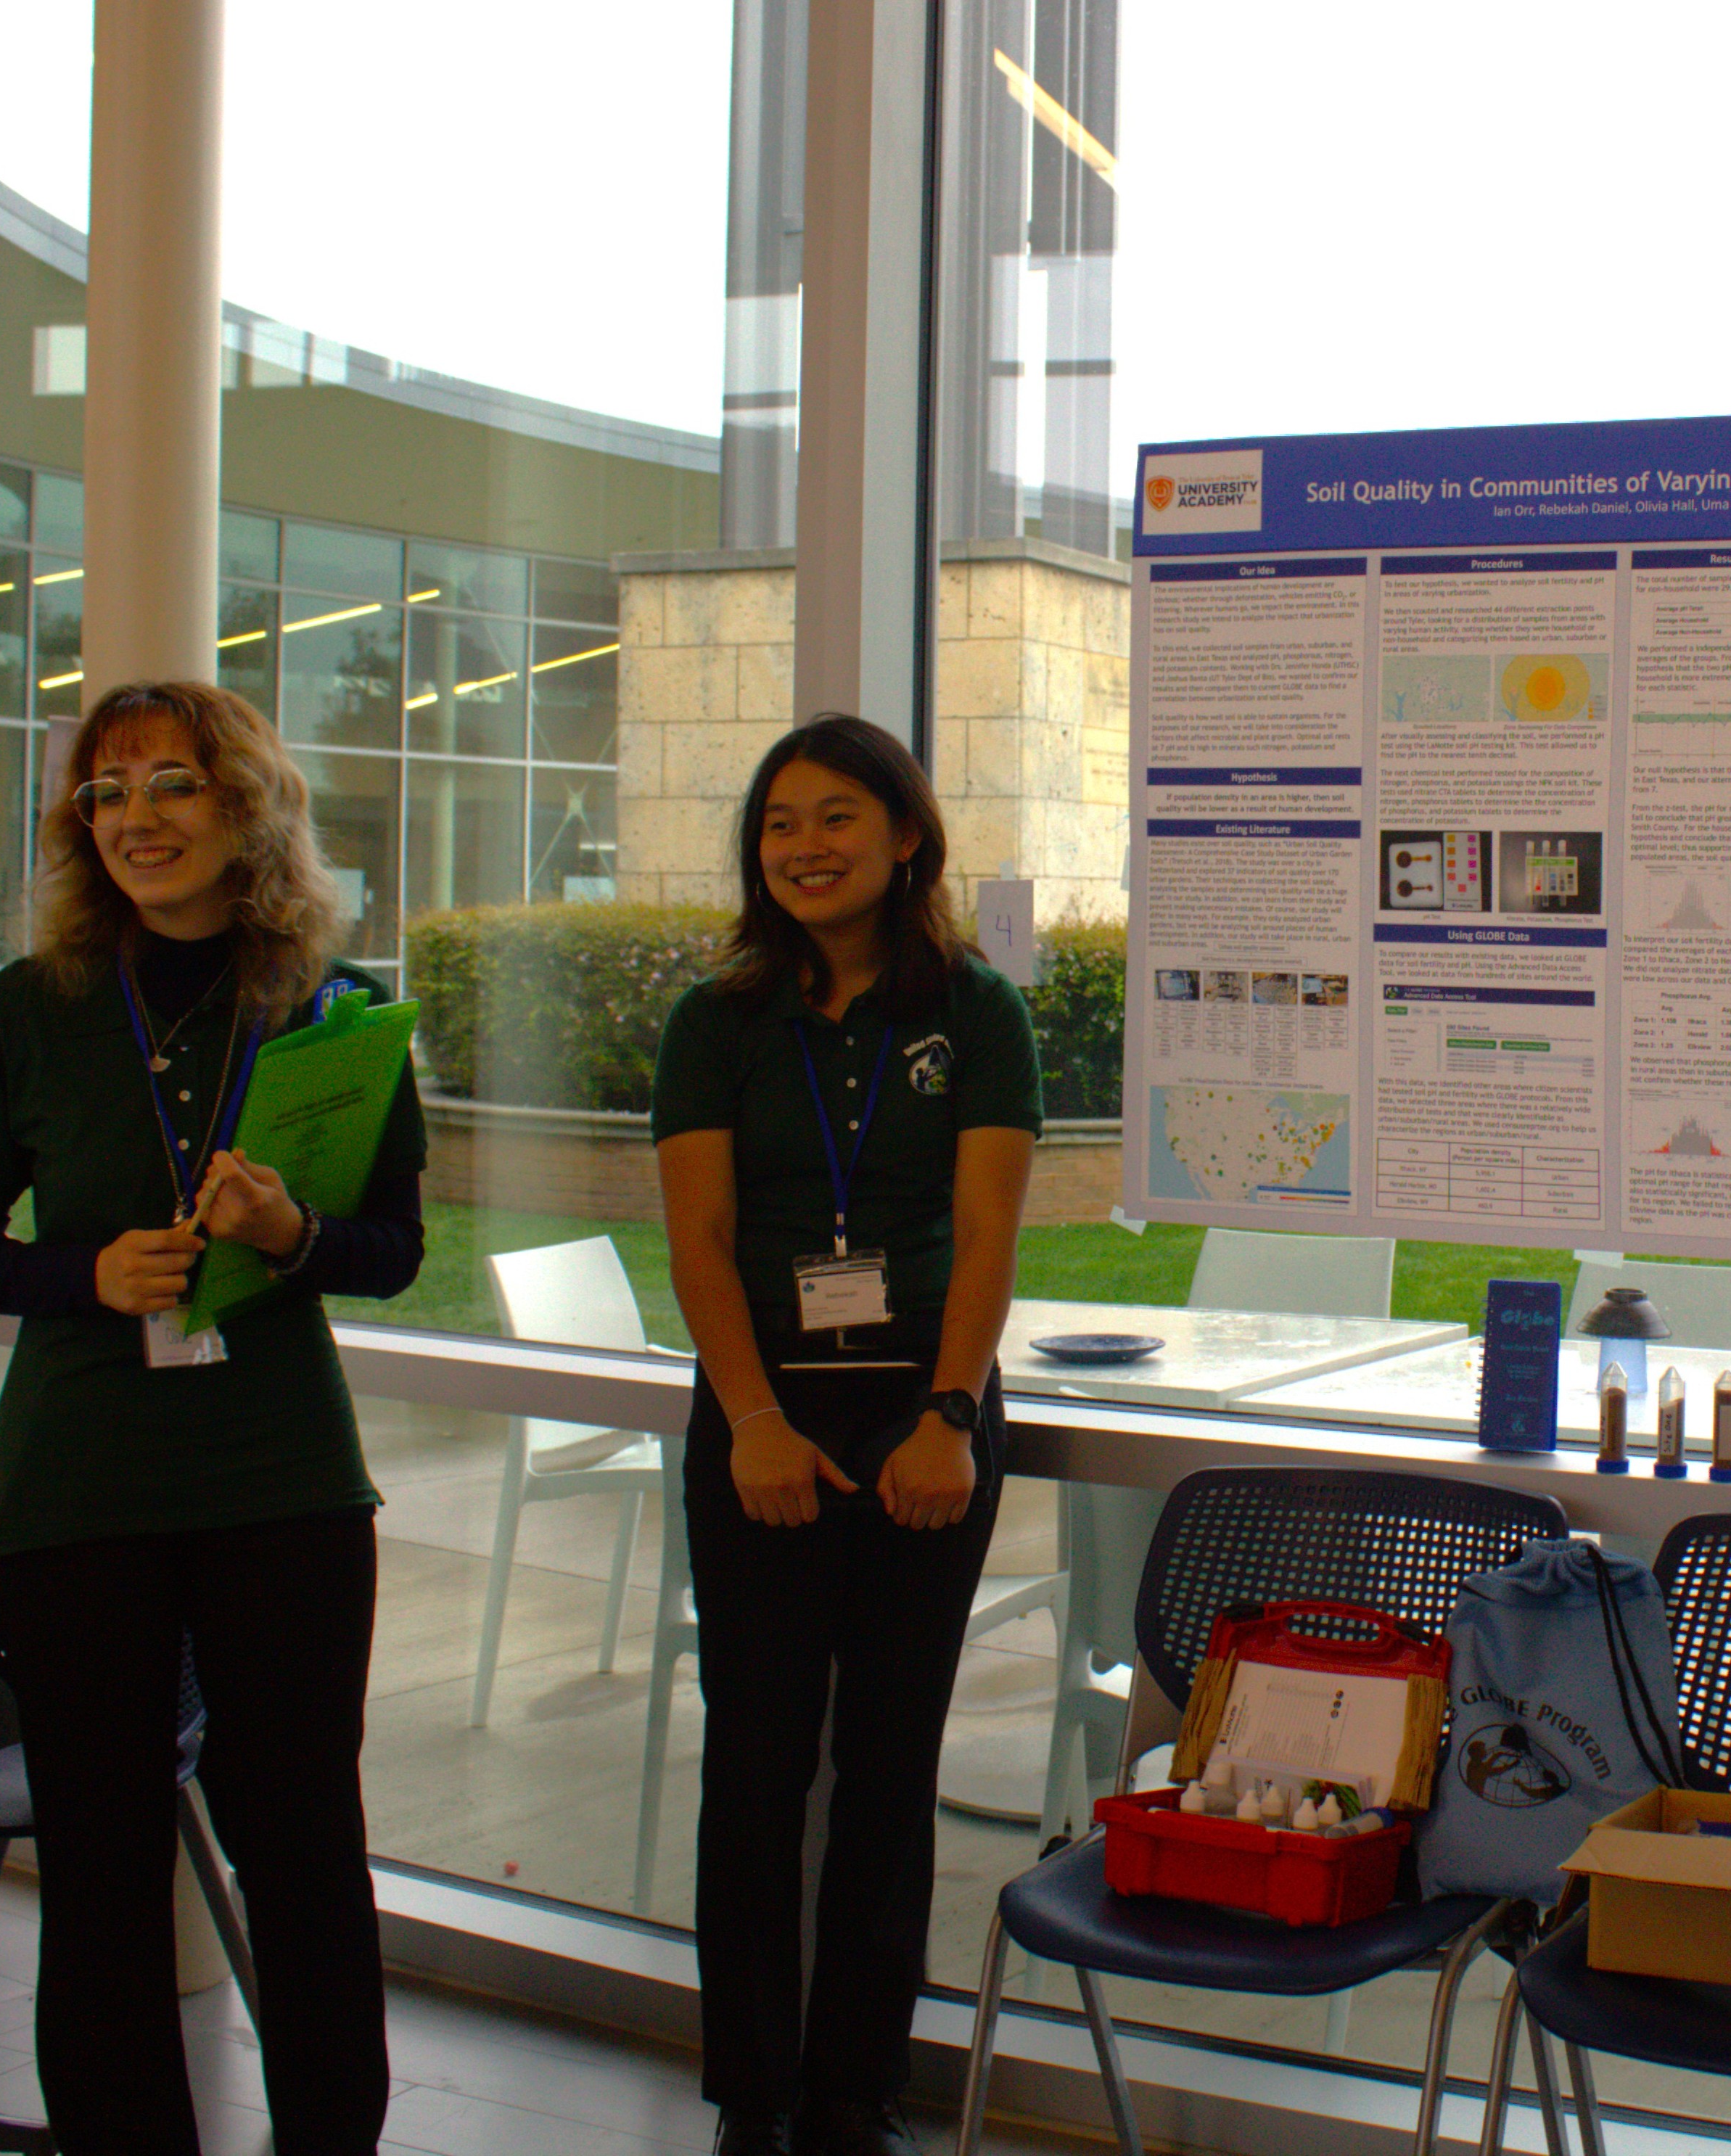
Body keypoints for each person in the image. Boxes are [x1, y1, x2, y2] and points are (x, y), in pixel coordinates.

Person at [0, 679, 426, 2154]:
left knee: (305, 1853)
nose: (134, 818)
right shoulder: (27, 1009)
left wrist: (292, 1236)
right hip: (85, 1488)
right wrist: (83, 1270)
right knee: (103, 1862)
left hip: (285, 1483)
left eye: (171, 785)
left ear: (245, 804)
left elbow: (391, 1251)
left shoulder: (332, 1005)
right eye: (107, 791)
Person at [652, 715, 1040, 2156]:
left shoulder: (975, 1012)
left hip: (923, 1412)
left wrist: (948, 1415)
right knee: (754, 1763)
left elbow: (990, 1236)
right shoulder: (719, 1022)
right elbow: (697, 1243)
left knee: (888, 1762)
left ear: (905, 838)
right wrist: (751, 1418)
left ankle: (853, 2089)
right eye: (778, 824)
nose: (805, 847)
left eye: (835, 818)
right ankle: (752, 2092)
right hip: (761, 1414)